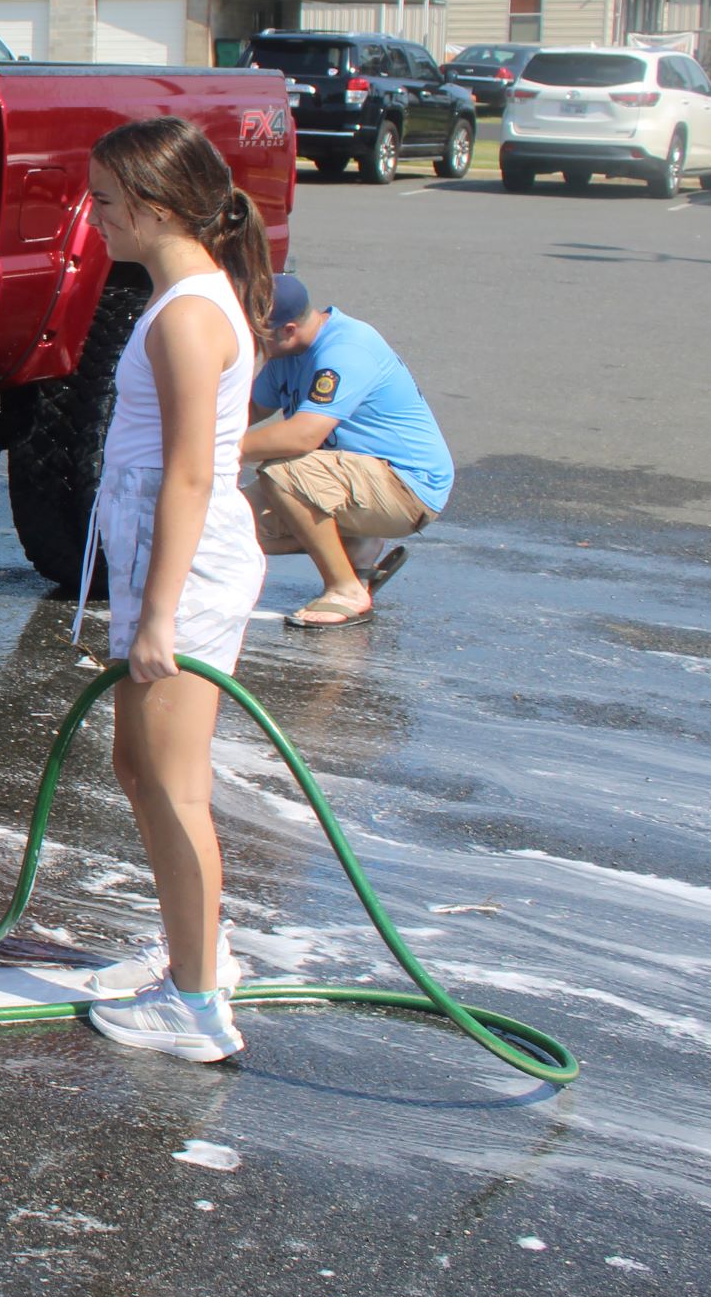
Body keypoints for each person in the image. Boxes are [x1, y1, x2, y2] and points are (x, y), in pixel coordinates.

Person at [70, 117, 272, 1061]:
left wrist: (157, 614)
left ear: (153, 207)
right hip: (161, 554)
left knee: (175, 783)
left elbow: (194, 473)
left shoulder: (190, 313)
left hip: (182, 568)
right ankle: (198, 946)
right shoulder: (183, 297)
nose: (95, 218)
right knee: (137, 768)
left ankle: (196, 1005)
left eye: (106, 203)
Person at [240, 274, 453, 629]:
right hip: (351, 477)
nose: (249, 343)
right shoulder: (287, 352)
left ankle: (345, 589)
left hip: (406, 486)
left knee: (284, 472)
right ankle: (355, 549)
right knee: (226, 522)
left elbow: (302, 436)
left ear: (288, 329)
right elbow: (250, 408)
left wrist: (213, 449)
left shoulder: (346, 350)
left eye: (255, 334)